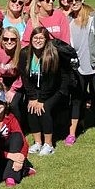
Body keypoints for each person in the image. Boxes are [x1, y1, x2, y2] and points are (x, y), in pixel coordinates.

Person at [19, 27, 71, 155]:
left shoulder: (52, 54)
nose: (38, 41)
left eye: (41, 38)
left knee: (44, 109)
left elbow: (51, 81)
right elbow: (24, 77)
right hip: (36, 89)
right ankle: (38, 142)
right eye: (35, 38)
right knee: (31, 108)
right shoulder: (25, 53)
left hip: (55, 88)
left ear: (46, 40)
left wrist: (41, 100)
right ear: (30, 40)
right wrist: (32, 97)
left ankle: (49, 144)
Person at [65, 0, 95, 147]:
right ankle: (72, 133)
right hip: (77, 68)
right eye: (70, 0)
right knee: (76, 100)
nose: (74, 2)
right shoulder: (68, 20)